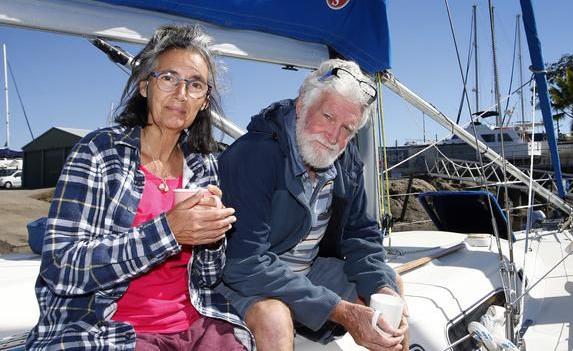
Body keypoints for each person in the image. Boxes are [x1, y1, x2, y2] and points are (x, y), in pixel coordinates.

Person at [27, 25, 251, 350]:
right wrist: (169, 232)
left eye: (195, 84)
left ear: (204, 102)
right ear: (145, 86)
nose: (181, 93)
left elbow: (207, 278)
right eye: (169, 78)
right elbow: (61, 266)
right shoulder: (99, 153)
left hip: (194, 322)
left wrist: (212, 238)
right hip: (109, 329)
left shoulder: (204, 166)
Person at [218, 59, 409, 351]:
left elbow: (361, 235)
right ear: (301, 107)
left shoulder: (347, 161)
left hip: (306, 271)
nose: (335, 137)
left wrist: (381, 287)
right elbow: (245, 264)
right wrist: (339, 310)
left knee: (390, 287)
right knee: (274, 318)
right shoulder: (252, 156)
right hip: (245, 279)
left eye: (348, 128)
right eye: (328, 117)